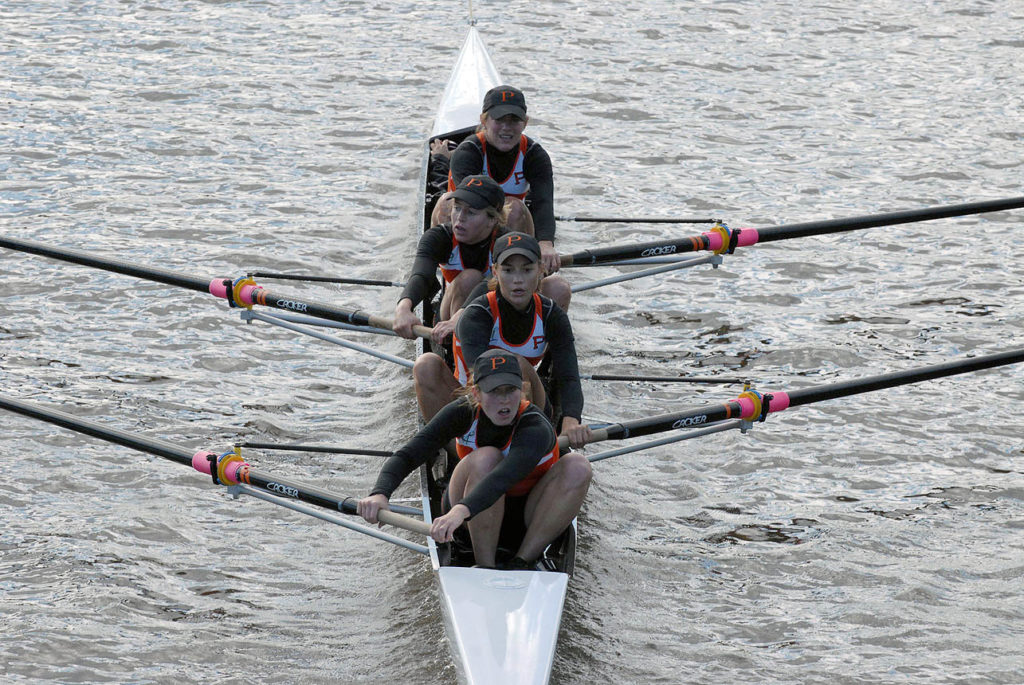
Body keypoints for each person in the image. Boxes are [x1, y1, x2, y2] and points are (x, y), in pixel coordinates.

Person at [358, 349, 592, 570]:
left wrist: (461, 509)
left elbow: (504, 477)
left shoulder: (536, 426)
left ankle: (523, 561)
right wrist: (380, 493)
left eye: (510, 390)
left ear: (521, 390)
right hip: (468, 523)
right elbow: (409, 453)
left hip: (524, 519)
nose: (504, 400)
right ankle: (485, 567)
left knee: (578, 465)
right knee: (486, 458)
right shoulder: (462, 411)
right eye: (494, 391)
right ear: (476, 393)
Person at [414, 232, 591, 449]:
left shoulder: (551, 314)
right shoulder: (476, 315)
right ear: (495, 272)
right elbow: (485, 384)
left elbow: (569, 375)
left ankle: (525, 448)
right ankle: (455, 453)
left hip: (525, 403)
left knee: (514, 366)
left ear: (540, 271)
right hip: (473, 398)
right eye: (508, 270)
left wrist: (572, 422)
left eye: (527, 270)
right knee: (426, 365)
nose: (518, 280)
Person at [430, 85, 571, 311]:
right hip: (471, 232)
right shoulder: (468, 152)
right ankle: (453, 284)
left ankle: (517, 278)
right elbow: (473, 204)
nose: (507, 128)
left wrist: (545, 244)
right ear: (484, 121)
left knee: (514, 209)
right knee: (447, 204)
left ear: (525, 123)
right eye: (499, 120)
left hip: (503, 237)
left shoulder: (535, 155)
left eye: (514, 120)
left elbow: (544, 202)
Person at [393, 174, 507, 343]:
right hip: (448, 318)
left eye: (471, 212)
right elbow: (421, 276)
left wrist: (462, 316)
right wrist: (403, 308)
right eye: (457, 208)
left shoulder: (506, 243)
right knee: (470, 278)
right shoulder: (439, 237)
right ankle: (454, 350)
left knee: (556, 287)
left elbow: (491, 283)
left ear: (492, 220)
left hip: (495, 314)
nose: (460, 217)